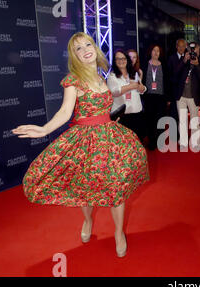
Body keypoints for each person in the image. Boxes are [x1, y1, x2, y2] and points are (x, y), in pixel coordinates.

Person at [12, 32, 149, 258]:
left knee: (116, 186)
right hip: (86, 142)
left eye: (88, 44)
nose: (85, 49)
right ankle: (87, 220)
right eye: (78, 48)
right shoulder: (72, 80)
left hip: (110, 137)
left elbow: (103, 106)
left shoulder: (100, 76)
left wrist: (110, 118)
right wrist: (44, 129)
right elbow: (66, 112)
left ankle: (118, 232)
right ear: (74, 55)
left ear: (94, 47)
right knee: (86, 186)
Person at [173, 41, 200, 150]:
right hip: (181, 96)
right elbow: (175, 73)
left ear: (199, 50)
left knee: (194, 121)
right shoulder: (184, 59)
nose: (193, 52)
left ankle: (196, 143)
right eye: (191, 49)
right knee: (182, 120)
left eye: (195, 49)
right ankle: (183, 142)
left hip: (193, 96)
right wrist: (183, 61)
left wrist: (197, 65)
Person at [107, 49, 147, 139]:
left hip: (137, 113)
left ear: (127, 60)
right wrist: (131, 86)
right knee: (124, 146)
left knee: (137, 142)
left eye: (123, 58)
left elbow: (142, 88)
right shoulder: (112, 76)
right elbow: (114, 92)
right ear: (114, 61)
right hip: (121, 116)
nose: (121, 61)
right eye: (118, 59)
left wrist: (142, 88)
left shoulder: (134, 73)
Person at [143, 44, 167, 150]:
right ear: (150, 52)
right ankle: (152, 141)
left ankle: (159, 140)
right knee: (149, 120)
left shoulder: (164, 65)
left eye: (158, 51)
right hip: (148, 96)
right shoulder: (144, 64)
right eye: (154, 50)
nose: (156, 53)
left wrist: (168, 98)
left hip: (160, 97)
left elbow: (167, 82)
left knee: (160, 120)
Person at [167, 39, 187, 139]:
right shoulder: (171, 59)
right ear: (176, 46)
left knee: (183, 116)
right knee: (174, 115)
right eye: (179, 46)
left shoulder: (188, 58)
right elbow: (172, 76)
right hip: (174, 92)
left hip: (185, 93)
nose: (181, 48)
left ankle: (182, 135)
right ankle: (174, 136)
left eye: (183, 46)